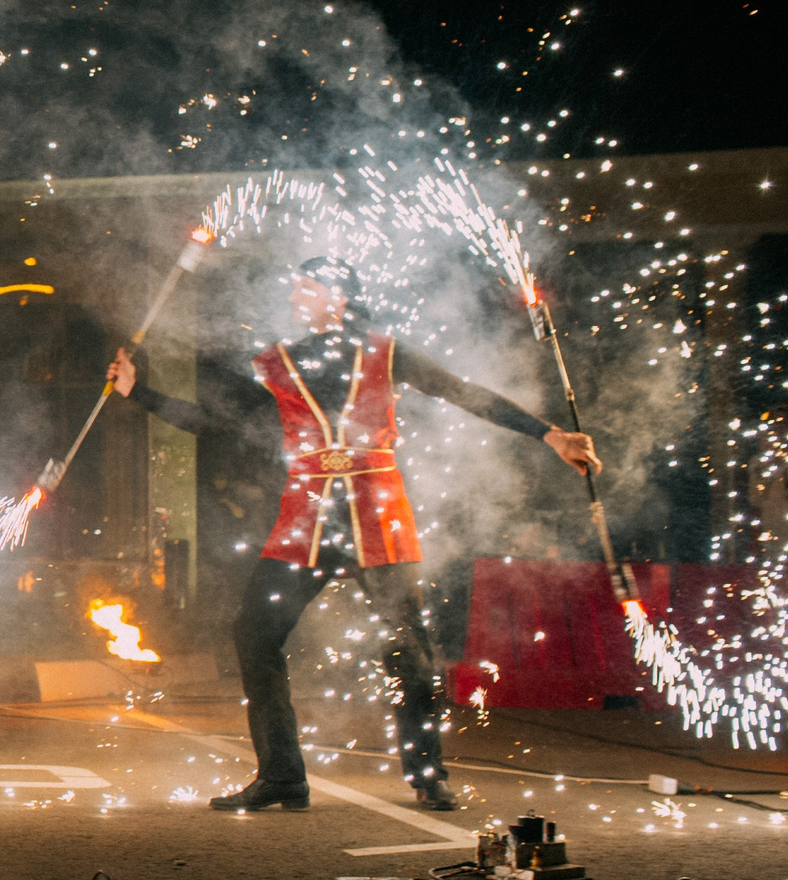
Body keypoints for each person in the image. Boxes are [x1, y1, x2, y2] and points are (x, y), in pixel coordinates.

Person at [110, 256, 599, 812]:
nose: (296, 296)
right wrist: (137, 393)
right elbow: (214, 420)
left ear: (340, 296)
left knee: (410, 648)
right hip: (306, 515)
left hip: (376, 512)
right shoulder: (276, 361)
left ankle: (428, 774)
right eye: (295, 286)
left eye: (307, 287)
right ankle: (283, 776)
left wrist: (550, 435)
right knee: (254, 632)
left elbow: (463, 392)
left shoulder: (387, 353)